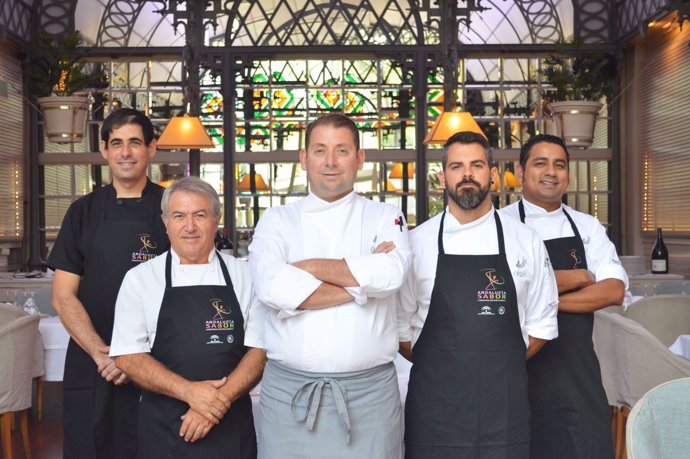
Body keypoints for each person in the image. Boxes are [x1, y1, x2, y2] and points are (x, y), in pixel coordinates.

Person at [248, 113, 411, 458]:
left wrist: (306, 269)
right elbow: (272, 287)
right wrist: (362, 285)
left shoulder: (385, 215)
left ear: (360, 158)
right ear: (304, 159)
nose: (331, 162)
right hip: (290, 395)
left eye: (342, 151)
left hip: (370, 399)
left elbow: (392, 273)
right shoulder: (277, 220)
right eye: (320, 151)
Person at [397, 131, 559, 459]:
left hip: (504, 410)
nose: (467, 174)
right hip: (435, 413)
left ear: (493, 175)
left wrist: (497, 362)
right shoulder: (415, 243)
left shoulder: (525, 241)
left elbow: (540, 326)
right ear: (443, 177)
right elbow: (399, 330)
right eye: (457, 166)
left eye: (477, 165)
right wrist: (450, 366)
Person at [110, 176, 266, 459]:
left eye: (200, 215)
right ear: (165, 222)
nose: (190, 226)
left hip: (230, 430)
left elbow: (260, 350)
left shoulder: (245, 275)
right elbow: (128, 356)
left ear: (216, 220)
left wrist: (216, 403)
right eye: (179, 216)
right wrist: (190, 393)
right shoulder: (140, 279)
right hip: (165, 432)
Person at [47, 108, 169, 459]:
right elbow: (63, 296)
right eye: (116, 143)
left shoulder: (172, 209)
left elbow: (183, 290)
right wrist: (104, 354)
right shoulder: (82, 212)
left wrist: (133, 357)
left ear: (152, 148)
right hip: (93, 361)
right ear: (104, 151)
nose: (125, 152)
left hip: (155, 360)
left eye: (134, 142)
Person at [500, 133, 627, 459]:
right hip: (516, 369)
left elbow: (613, 290)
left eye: (559, 164)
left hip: (576, 373)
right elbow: (502, 288)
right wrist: (582, 278)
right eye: (540, 163)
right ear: (521, 170)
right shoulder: (499, 225)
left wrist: (541, 299)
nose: (551, 172)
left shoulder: (587, 226)